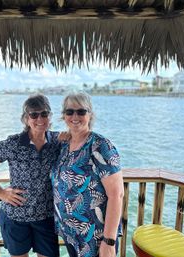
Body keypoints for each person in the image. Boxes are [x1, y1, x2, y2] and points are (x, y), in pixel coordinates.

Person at [0, 94, 60, 257]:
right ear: (26, 119)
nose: (40, 119)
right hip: (15, 217)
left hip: (46, 217)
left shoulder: (57, 141)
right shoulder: (13, 143)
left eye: (44, 114)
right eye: (34, 115)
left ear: (50, 117)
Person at [52, 92, 124, 257]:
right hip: (71, 233)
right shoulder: (64, 145)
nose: (75, 116)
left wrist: (109, 241)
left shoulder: (101, 146)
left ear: (90, 115)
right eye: (69, 112)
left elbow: (117, 195)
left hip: (95, 238)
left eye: (81, 111)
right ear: (64, 116)